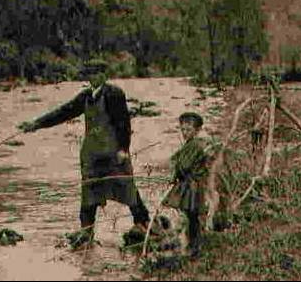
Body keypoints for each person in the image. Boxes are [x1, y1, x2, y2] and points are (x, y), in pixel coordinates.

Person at [17, 64, 154, 248]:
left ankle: (144, 224)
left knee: (127, 189)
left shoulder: (114, 94)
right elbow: (63, 112)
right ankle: (86, 233)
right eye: (90, 74)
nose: (93, 78)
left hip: (113, 153)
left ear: (104, 75)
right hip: (91, 155)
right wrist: (36, 124)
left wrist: (123, 149)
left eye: (97, 74)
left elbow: (124, 123)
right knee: (89, 194)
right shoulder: (85, 96)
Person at [163, 111, 210, 257]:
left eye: (188, 130)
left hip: (193, 187)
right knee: (190, 216)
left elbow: (184, 165)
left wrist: (175, 171)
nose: (184, 133)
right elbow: (177, 158)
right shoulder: (189, 145)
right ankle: (192, 245)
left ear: (197, 131)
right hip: (189, 185)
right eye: (182, 129)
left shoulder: (195, 146)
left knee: (191, 216)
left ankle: (192, 246)